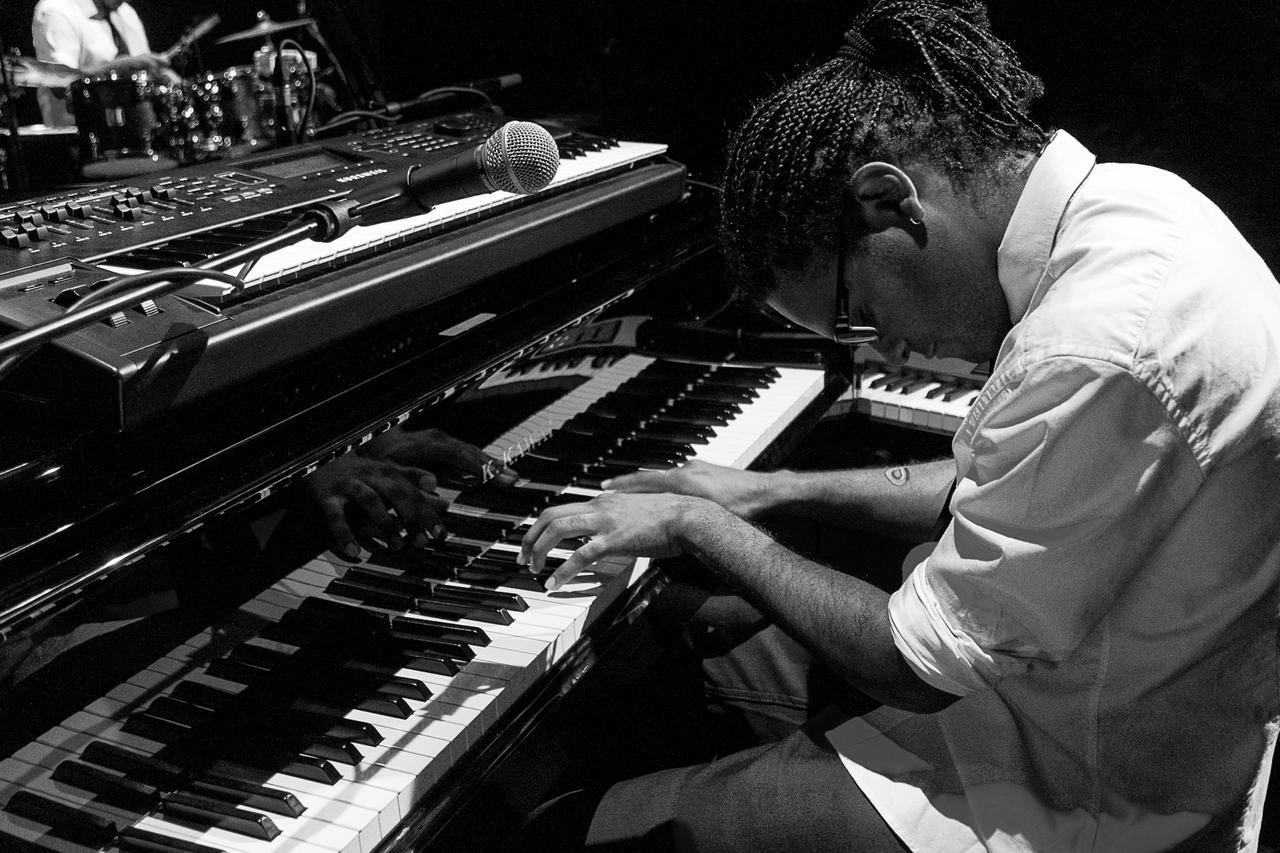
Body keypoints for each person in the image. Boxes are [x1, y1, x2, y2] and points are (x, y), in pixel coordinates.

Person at [518, 0, 1280, 850]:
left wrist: (699, 521)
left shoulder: (1094, 342)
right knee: (683, 654)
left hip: (1076, 782)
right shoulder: (1138, 204)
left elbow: (916, 665)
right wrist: (769, 490)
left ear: (889, 201)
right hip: (1070, 698)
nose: (887, 345)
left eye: (858, 314)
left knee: (571, 830)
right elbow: (993, 482)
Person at [31, 0, 176, 127]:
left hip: (138, 132)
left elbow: (144, 74)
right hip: (79, 137)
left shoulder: (126, 12)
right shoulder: (56, 9)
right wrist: (121, 67)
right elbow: (60, 82)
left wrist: (163, 76)